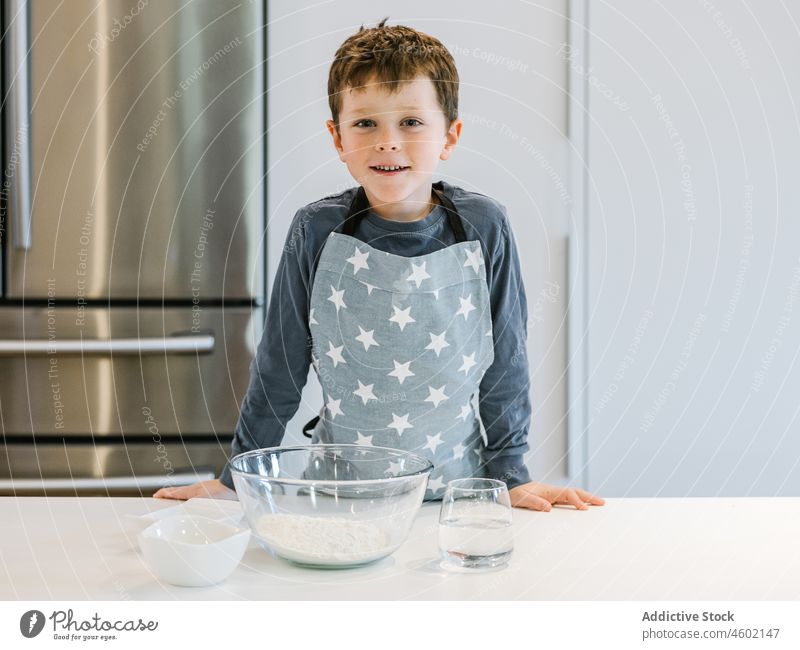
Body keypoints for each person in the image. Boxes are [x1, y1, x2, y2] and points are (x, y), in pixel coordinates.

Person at [155, 18, 604, 512]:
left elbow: (506, 365)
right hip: (338, 497)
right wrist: (236, 476)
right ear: (338, 138)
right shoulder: (316, 230)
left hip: (458, 499)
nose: (387, 141)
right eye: (366, 123)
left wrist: (512, 477)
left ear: (449, 136)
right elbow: (280, 365)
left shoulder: (483, 226)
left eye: (411, 122)